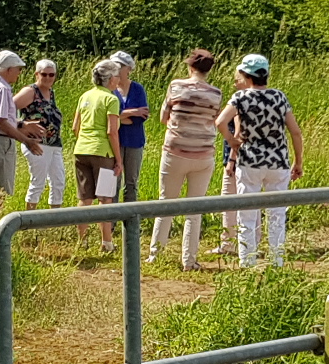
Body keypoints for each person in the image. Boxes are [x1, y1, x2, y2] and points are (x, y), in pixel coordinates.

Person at [214, 52, 303, 267]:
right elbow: (295, 132)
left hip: (250, 162)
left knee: (247, 216)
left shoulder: (240, 98)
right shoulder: (279, 97)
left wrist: (233, 142)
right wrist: (298, 162)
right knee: (277, 215)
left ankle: (247, 263)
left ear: (245, 75)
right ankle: (277, 261)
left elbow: (220, 122)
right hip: (278, 162)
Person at [148, 48, 223, 268]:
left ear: (190, 67)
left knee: (166, 203)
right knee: (194, 210)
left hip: (175, 151)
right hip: (203, 154)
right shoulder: (216, 94)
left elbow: (164, 117)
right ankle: (189, 260)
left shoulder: (176, 86)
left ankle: (155, 254)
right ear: (209, 69)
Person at [67, 59, 125, 250]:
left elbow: (76, 127)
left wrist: (84, 140)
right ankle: (106, 242)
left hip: (81, 149)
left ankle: (82, 241)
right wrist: (118, 159)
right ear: (110, 79)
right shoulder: (111, 99)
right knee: (105, 198)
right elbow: (112, 131)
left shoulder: (85, 96)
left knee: (85, 197)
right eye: (116, 76)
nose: (118, 80)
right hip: (102, 152)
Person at [0, 50, 34, 197]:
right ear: (9, 69)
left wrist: (21, 124)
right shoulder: (2, 89)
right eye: (18, 69)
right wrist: (26, 140)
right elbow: (1, 121)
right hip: (1, 142)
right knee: (0, 190)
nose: (19, 73)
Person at [16, 58, 66, 207]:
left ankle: (53, 221)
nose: (48, 78)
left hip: (54, 144)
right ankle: (30, 222)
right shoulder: (30, 91)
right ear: (37, 74)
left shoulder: (51, 93)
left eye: (52, 75)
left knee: (58, 182)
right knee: (38, 182)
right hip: (36, 143)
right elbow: (7, 108)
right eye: (44, 74)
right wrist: (21, 125)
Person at [108, 52, 150, 203]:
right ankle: (110, 224)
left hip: (134, 141)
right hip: (114, 141)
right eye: (114, 67)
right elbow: (106, 118)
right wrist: (131, 112)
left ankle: (130, 224)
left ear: (129, 69)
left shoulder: (137, 89)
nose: (117, 70)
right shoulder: (109, 90)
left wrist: (118, 117)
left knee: (131, 183)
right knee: (113, 182)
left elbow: (141, 118)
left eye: (120, 67)